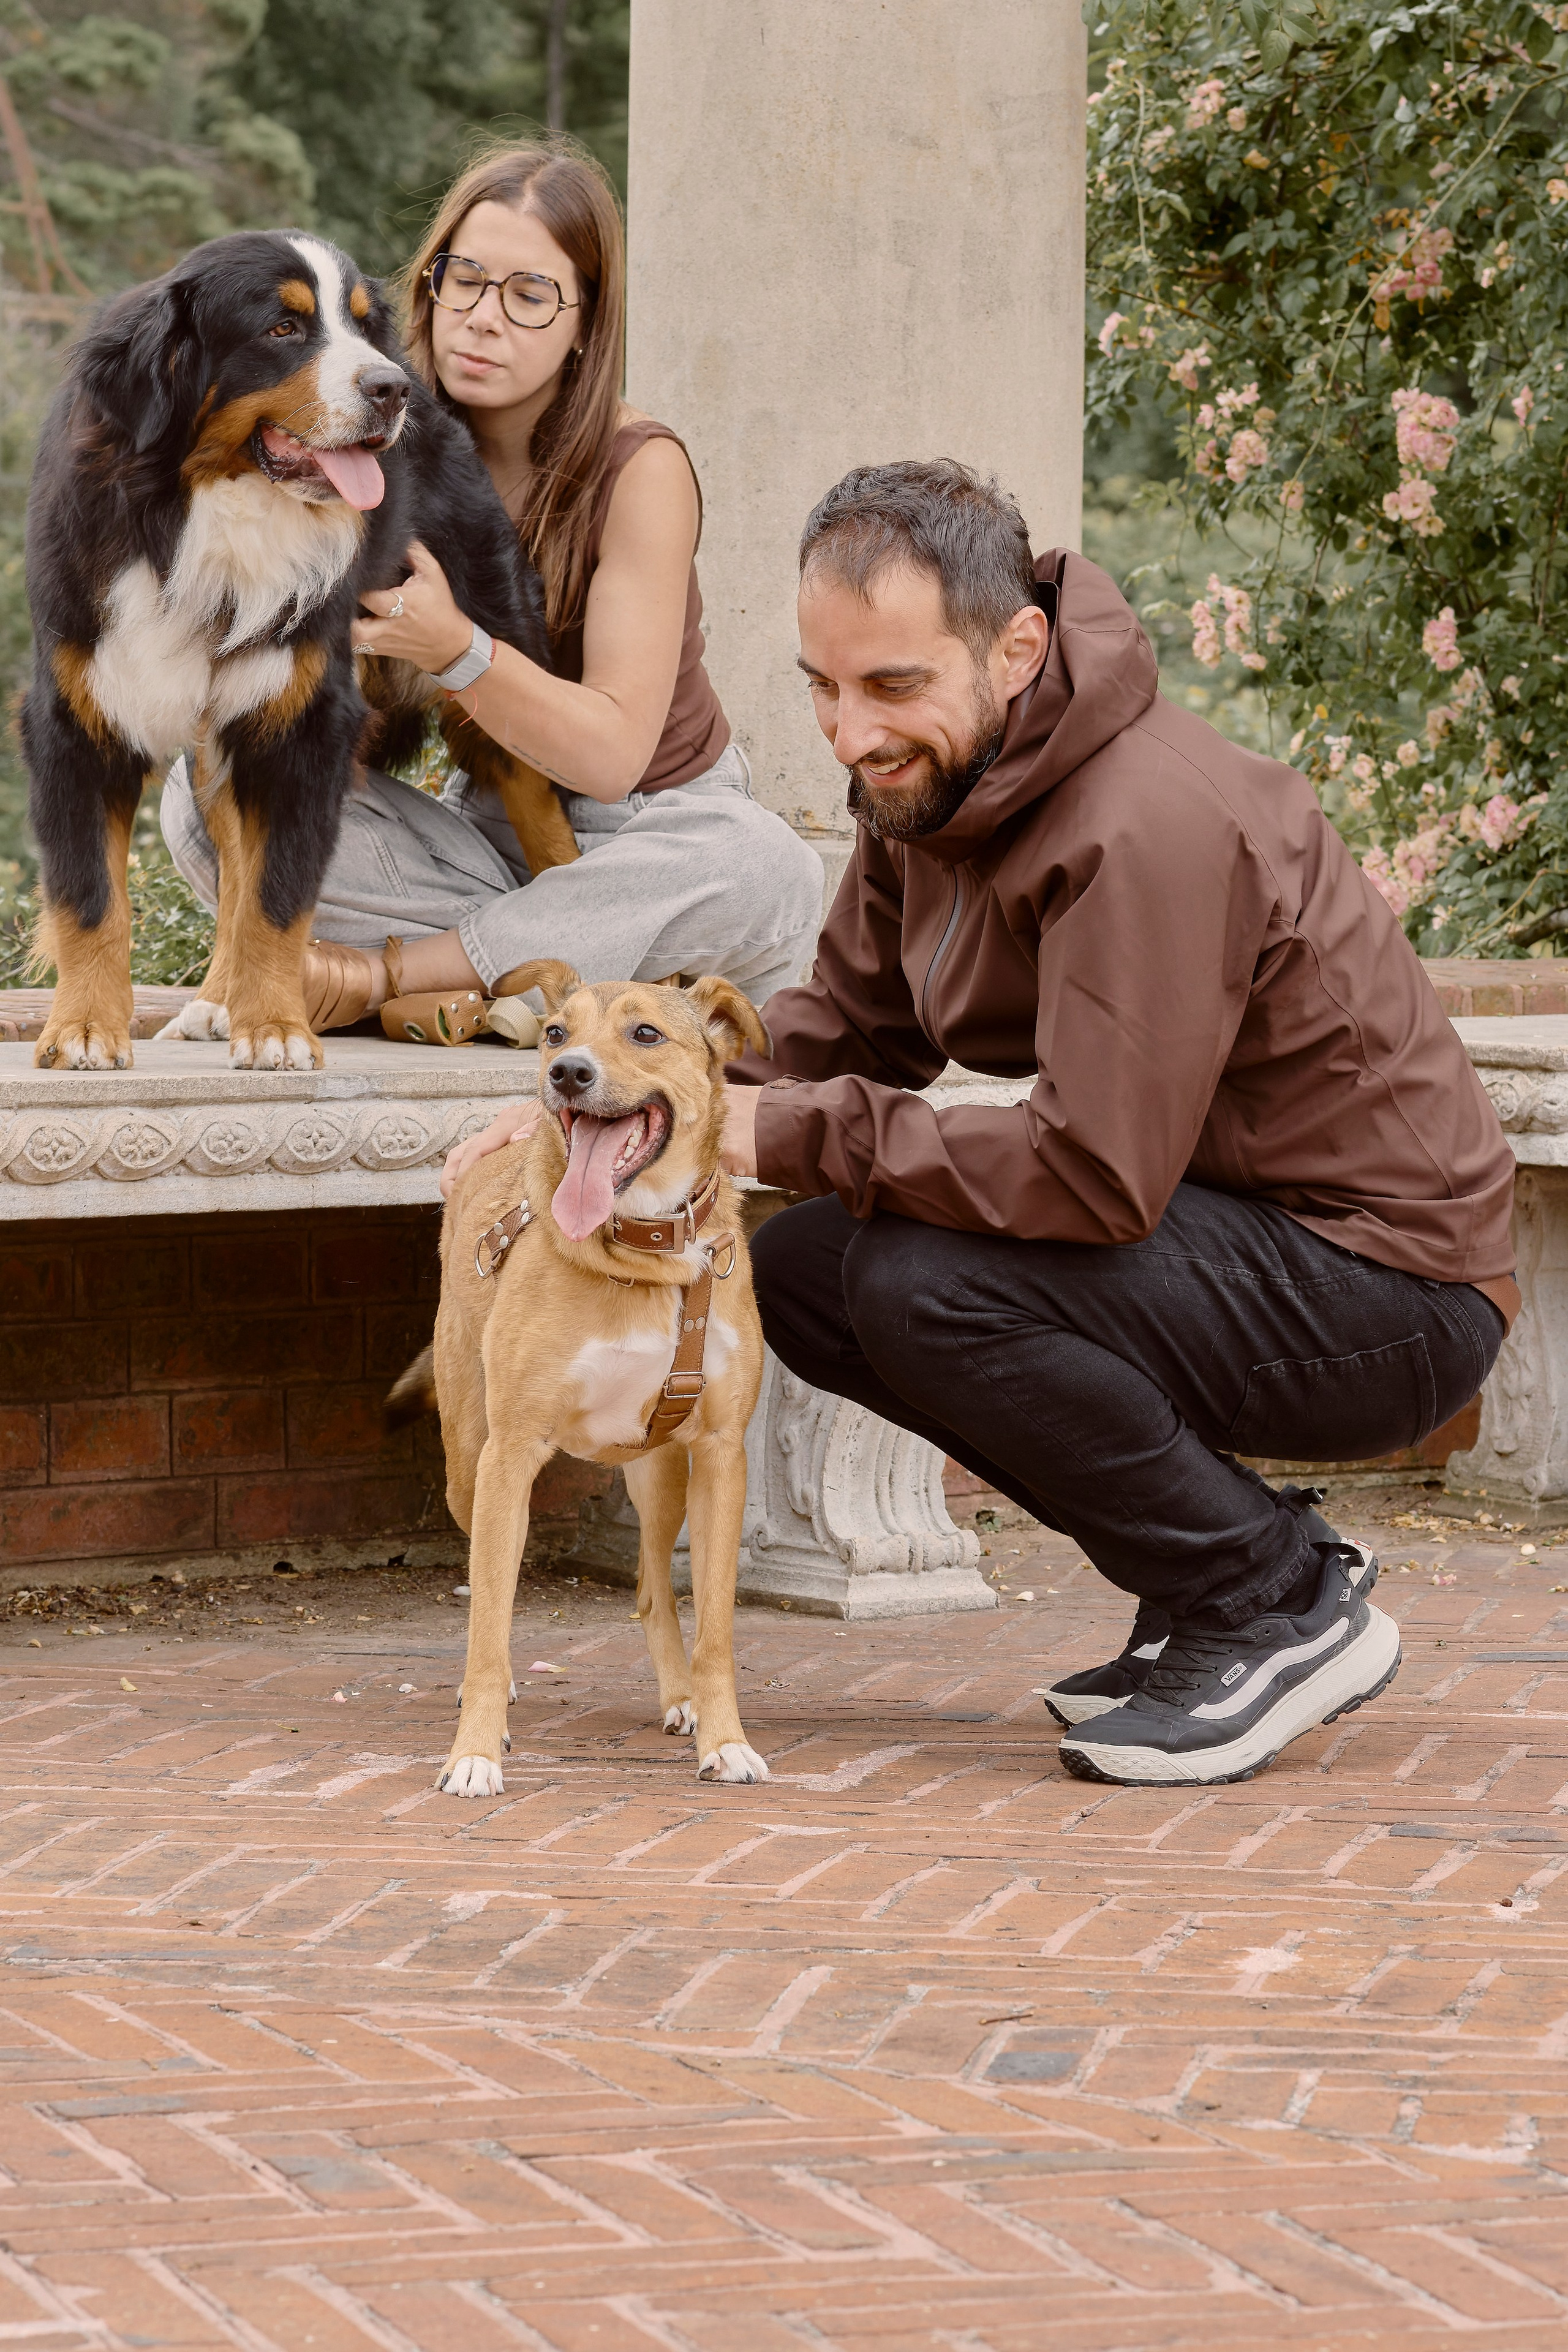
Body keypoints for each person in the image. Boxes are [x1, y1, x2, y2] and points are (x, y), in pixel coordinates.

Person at [715, 458, 1516, 1788]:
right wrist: (637, 1116)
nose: (846, 734)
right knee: (806, 1275)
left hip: (1393, 1287)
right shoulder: (927, 786)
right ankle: (1206, 1561)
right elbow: (848, 1033)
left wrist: (787, 1139)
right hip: (1229, 1237)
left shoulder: (1144, 819)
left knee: (925, 1284)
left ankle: (1270, 1598)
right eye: (822, 684)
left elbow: (1089, 1174)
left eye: (891, 686)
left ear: (1016, 649)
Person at [160, 143, 823, 1020]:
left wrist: (455, 650)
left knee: (762, 869)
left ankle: (388, 980)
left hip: (650, 836)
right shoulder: (348, 440)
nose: (481, 317)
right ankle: (560, 978)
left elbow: (615, 759)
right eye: (464, 280)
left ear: (587, 322)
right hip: (473, 848)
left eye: (530, 295)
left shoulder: (639, 466)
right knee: (204, 793)